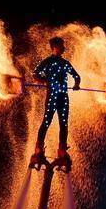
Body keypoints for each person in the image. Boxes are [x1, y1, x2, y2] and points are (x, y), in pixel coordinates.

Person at [30, 37, 80, 170]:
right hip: (52, 96)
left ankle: (62, 149)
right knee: (47, 121)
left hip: (63, 97)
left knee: (63, 123)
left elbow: (76, 76)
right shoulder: (47, 61)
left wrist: (76, 84)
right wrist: (46, 81)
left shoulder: (65, 63)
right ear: (54, 47)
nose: (64, 48)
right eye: (61, 45)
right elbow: (35, 74)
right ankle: (39, 147)